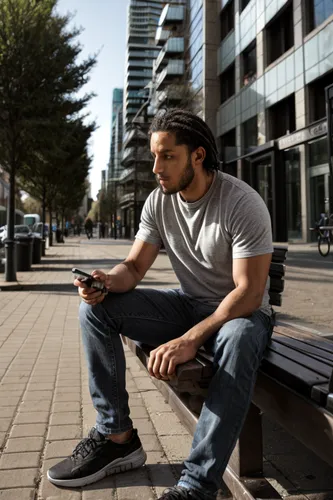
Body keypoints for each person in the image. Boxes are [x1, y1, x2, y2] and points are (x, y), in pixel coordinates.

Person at [47, 109, 274, 499]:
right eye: (154, 156)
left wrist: (190, 338)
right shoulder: (159, 201)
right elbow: (134, 267)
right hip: (188, 304)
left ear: (197, 156)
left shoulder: (240, 203)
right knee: (96, 309)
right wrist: (105, 281)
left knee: (237, 340)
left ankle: (196, 486)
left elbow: (249, 293)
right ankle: (116, 436)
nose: (157, 167)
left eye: (168, 156)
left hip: (242, 315)